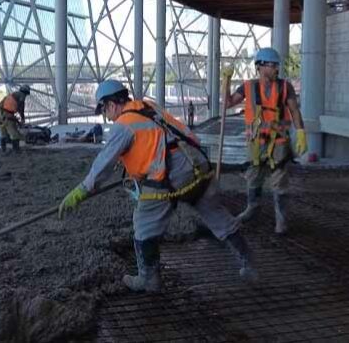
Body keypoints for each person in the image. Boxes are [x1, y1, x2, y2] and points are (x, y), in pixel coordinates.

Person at [58, 80, 257, 293]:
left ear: (111, 104)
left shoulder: (123, 124)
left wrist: (81, 191)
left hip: (172, 177)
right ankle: (249, 264)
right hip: (197, 165)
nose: (107, 116)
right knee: (219, 218)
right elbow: (156, 141)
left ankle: (149, 279)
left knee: (143, 226)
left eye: (105, 110)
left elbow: (102, 165)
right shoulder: (148, 107)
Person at [223, 47, 306, 235]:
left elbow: (294, 111)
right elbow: (227, 103)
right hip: (256, 142)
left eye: (277, 65)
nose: (276, 68)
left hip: (279, 142)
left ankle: (281, 220)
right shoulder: (247, 86)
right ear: (260, 66)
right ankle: (252, 208)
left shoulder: (286, 87)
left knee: (279, 180)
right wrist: (226, 81)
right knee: (253, 176)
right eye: (272, 65)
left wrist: (300, 131)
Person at [0, 85, 30, 152]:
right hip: (6, 114)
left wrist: (17, 121)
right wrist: (22, 119)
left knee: (3, 132)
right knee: (14, 133)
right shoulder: (22, 95)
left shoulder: (12, 94)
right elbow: (21, 108)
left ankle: (3, 149)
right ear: (26, 92)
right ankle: (16, 150)